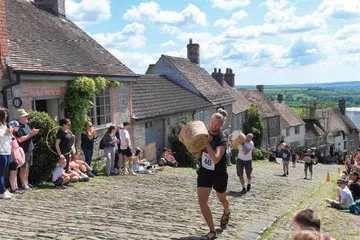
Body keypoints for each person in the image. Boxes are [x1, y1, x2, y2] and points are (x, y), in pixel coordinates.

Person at [192, 109, 230, 240]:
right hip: (205, 172)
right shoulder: (203, 135)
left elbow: (215, 159)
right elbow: (197, 154)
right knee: (202, 202)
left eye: (216, 125)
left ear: (220, 126)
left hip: (219, 173)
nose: (213, 126)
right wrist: (196, 151)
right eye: (212, 123)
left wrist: (207, 144)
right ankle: (212, 231)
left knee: (222, 198)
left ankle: (227, 210)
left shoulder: (222, 140)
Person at [14, 109, 39, 190]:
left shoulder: (26, 125)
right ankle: (24, 184)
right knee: (24, 167)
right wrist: (31, 134)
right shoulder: (17, 127)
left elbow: (28, 135)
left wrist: (32, 133)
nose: (27, 117)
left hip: (29, 148)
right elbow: (20, 139)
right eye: (25, 116)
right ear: (20, 118)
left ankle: (26, 182)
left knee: (28, 167)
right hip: (23, 150)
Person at [8, 121, 25, 194]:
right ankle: (13, 188)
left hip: (15, 155)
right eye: (17, 126)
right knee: (13, 172)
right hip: (13, 156)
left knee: (15, 172)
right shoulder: (10, 136)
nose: (18, 128)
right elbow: (11, 147)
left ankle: (16, 187)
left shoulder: (12, 135)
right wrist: (14, 157)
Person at [0, 108, 12, 199]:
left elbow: (9, 138)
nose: (7, 116)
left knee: (3, 172)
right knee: (0, 173)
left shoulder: (4, 125)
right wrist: (5, 133)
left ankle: (3, 189)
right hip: (1, 152)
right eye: (5, 114)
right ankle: (2, 191)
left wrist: (10, 132)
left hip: (6, 150)